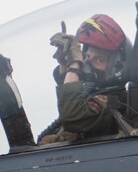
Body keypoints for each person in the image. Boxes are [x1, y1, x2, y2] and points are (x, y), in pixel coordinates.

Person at [40, 14, 129, 143]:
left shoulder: (116, 102)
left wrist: (74, 65)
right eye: (86, 56)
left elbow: (71, 114)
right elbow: (70, 96)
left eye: (99, 59)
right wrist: (65, 62)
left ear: (115, 67)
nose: (88, 66)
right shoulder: (91, 95)